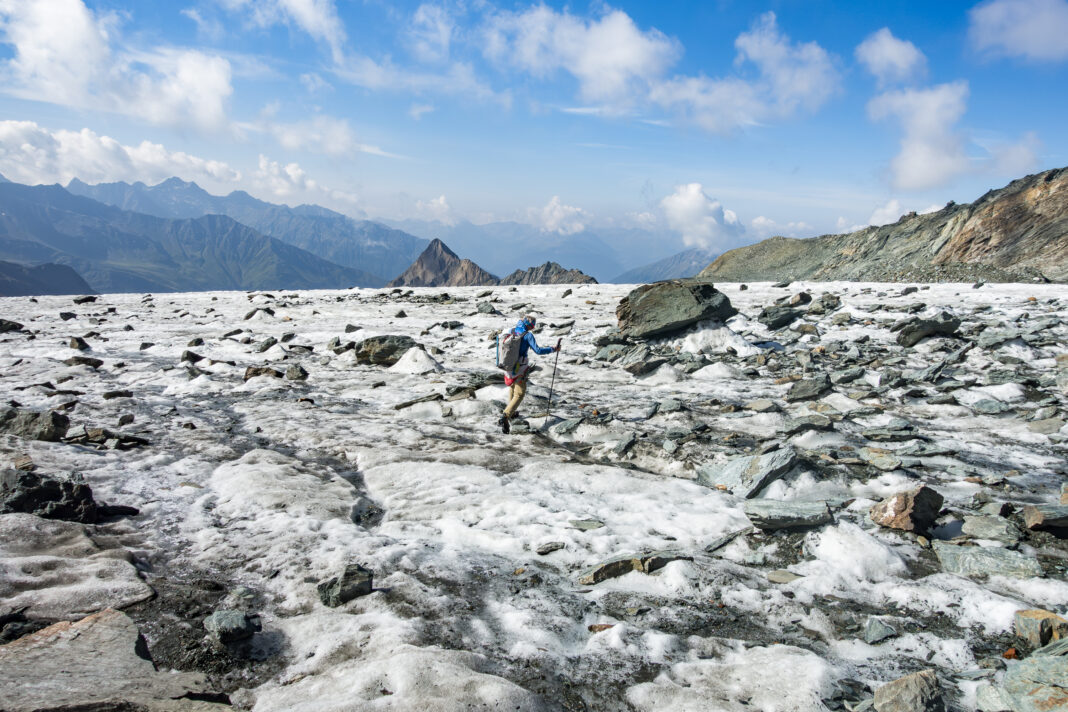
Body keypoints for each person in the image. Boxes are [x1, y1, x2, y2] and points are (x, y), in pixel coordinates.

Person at [499, 315, 559, 433]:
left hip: (507, 366)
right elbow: (538, 350)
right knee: (519, 393)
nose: (533, 327)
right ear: (528, 324)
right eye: (533, 324)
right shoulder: (528, 335)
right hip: (520, 367)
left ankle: (511, 412)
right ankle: (505, 416)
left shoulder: (511, 331)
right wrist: (553, 349)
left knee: (512, 388)